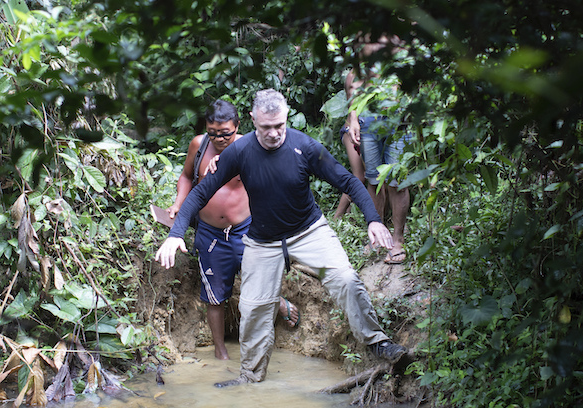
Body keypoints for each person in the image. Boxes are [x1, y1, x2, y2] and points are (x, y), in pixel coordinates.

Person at [156, 89, 407, 387]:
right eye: (266, 128)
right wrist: (175, 234)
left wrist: (374, 220)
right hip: (263, 242)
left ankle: (377, 342)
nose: (274, 134)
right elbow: (200, 191)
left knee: (345, 279)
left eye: (280, 126)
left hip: (309, 233)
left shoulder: (305, 146)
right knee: (252, 310)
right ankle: (249, 379)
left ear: (286, 119)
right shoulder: (239, 151)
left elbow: (348, 180)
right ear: (252, 121)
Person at [166, 99, 299, 361]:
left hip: (246, 228)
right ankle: (221, 352)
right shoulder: (199, 145)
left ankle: (279, 302)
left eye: (225, 133)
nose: (219, 139)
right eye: (213, 133)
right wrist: (178, 202)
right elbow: (185, 175)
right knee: (214, 296)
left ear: (237, 126)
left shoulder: (251, 146)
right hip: (210, 232)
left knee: (260, 280)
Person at [344, 34, 411, 264]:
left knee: (397, 182)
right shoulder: (363, 34)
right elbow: (355, 81)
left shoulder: (395, 36)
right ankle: (376, 234)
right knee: (374, 181)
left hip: (397, 122)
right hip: (368, 122)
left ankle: (398, 239)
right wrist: (353, 119)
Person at [332, 124, 366, 219]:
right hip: (351, 130)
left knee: (375, 178)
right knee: (359, 177)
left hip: (369, 133)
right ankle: (337, 217)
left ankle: (350, 213)